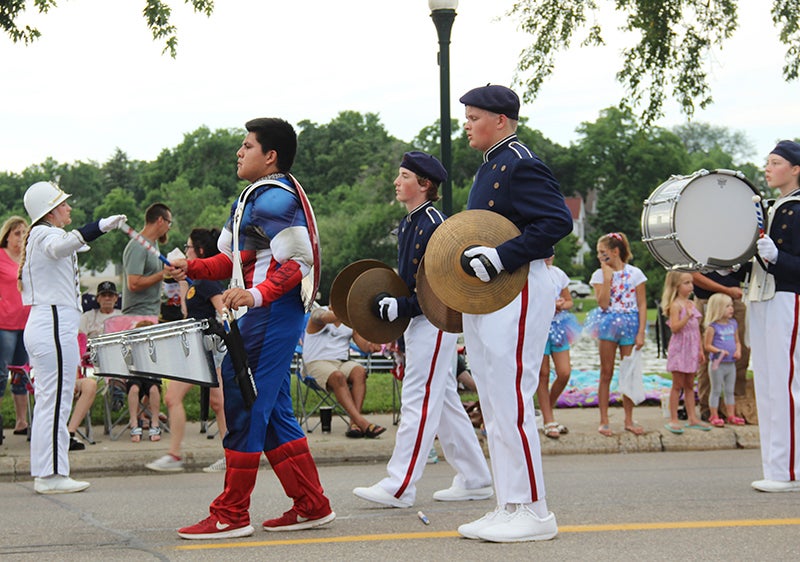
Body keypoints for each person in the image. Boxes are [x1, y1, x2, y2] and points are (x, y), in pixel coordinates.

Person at [170, 117, 334, 539]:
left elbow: (298, 264)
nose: (239, 153)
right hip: (267, 313)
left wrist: (257, 295)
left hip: (270, 314)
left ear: (270, 156)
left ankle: (231, 514)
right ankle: (311, 504)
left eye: (247, 146)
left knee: (244, 402)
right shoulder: (256, 196)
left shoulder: (273, 198)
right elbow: (230, 261)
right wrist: (190, 267)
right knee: (274, 412)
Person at [453, 85, 573, 543]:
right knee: (496, 400)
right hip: (492, 291)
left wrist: (503, 256)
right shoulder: (491, 165)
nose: (467, 124)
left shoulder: (520, 161)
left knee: (513, 400)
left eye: (474, 116)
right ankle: (508, 504)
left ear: (500, 119)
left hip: (518, 284)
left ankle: (534, 510)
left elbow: (556, 222)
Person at [353, 151, 493, 509]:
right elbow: (409, 279)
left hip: (434, 320)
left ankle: (400, 484)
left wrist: (406, 305)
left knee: (418, 396)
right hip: (419, 322)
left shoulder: (433, 222)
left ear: (425, 184)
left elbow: (444, 283)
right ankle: (476, 478)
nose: (397, 182)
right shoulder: (412, 220)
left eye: (404, 176)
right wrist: (396, 306)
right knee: (443, 399)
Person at [19, 180, 126, 494]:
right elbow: (60, 247)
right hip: (53, 322)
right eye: (62, 204)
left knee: (51, 401)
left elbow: (69, 245)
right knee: (56, 401)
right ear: (50, 211)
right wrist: (99, 227)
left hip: (51, 321)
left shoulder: (44, 233)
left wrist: (86, 236)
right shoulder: (45, 234)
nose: (68, 208)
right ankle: (52, 474)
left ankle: (47, 472)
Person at [146, 228, 228, 472]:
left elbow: (222, 309)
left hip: (207, 347)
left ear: (200, 251)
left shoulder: (209, 279)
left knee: (174, 397)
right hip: (198, 346)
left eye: (189, 247)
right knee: (219, 402)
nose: (185, 250)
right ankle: (232, 455)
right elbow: (186, 313)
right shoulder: (197, 281)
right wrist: (182, 280)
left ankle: (174, 454)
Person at [747, 140, 800, 493]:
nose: (768, 167)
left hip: (787, 298)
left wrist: (778, 257)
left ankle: (789, 471)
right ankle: (775, 466)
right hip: (761, 296)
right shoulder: (767, 207)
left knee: (785, 383)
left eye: (776, 162)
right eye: (767, 161)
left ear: (796, 169)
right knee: (766, 385)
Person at [585, 232, 647, 437]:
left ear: (615, 251)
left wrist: (641, 332)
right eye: (598, 253)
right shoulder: (598, 275)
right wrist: (607, 278)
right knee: (606, 371)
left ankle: (628, 419)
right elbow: (603, 303)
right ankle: (604, 420)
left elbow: (642, 304)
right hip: (609, 324)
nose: (600, 257)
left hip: (630, 323)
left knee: (628, 371)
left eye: (603, 253)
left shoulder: (635, 274)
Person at [302, 305, 385, 438]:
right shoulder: (319, 312)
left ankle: (354, 424)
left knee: (359, 371)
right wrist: (348, 312)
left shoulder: (350, 321)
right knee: (338, 376)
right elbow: (324, 318)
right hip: (315, 363)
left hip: (340, 362)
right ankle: (362, 422)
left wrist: (372, 345)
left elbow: (364, 346)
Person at [691, 270, 750, 422]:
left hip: (734, 300)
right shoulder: (697, 248)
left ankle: (735, 407)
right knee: (707, 356)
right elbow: (693, 275)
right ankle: (709, 409)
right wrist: (725, 290)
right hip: (708, 300)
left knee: (740, 352)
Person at [660, 271, 709, 434]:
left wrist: (701, 350)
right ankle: (673, 418)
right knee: (677, 385)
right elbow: (674, 328)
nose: (691, 286)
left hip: (692, 348)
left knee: (689, 385)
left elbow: (697, 330)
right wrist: (686, 317)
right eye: (686, 283)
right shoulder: (676, 305)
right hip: (680, 348)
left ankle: (692, 417)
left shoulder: (691, 304)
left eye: (691, 282)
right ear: (676, 286)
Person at [538, 255, 579, 439]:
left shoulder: (558, 274)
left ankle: (547, 410)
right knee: (543, 373)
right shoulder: (534, 273)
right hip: (539, 327)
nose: (549, 256)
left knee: (564, 372)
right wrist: (547, 305)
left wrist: (562, 304)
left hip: (559, 326)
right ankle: (548, 419)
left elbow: (569, 300)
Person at [0, 216, 32, 436]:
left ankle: (22, 422)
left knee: (22, 375)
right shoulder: (1, 257)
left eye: (24, 232)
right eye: (17, 233)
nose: (21, 237)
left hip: (27, 323)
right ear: (7, 236)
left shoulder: (29, 258)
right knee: (1, 374)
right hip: (5, 322)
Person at [122, 203, 172, 316]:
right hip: (138, 315)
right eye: (168, 222)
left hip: (152, 313)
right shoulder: (137, 246)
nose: (169, 227)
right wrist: (163, 274)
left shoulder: (153, 244)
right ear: (160, 220)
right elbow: (133, 284)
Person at [702, 292, 744, 427]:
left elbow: (737, 341)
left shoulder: (733, 324)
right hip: (717, 363)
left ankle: (731, 414)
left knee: (729, 390)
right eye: (727, 306)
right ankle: (714, 415)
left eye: (731, 306)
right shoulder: (712, 327)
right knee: (716, 389)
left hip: (730, 363)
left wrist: (738, 351)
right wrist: (719, 351)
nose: (731, 309)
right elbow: (707, 345)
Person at [125, 320, 162, 442]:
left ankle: (155, 422)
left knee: (154, 389)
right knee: (134, 388)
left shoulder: (156, 347)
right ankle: (134, 423)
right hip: (135, 376)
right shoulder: (130, 347)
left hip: (151, 376)